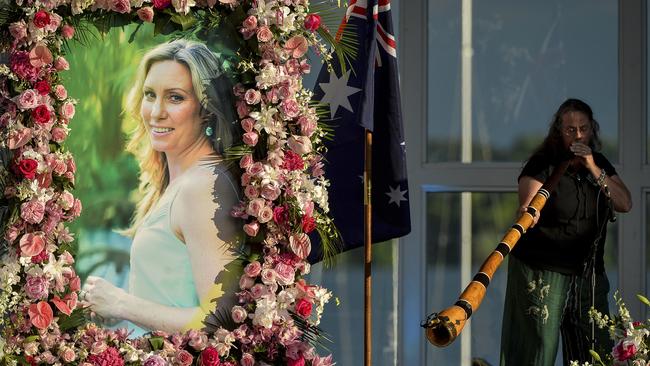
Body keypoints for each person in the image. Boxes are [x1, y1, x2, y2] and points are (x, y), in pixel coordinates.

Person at [82, 39, 243, 336]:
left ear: (205, 109)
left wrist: (121, 304)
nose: (156, 112)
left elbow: (219, 322)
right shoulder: (180, 182)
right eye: (149, 94)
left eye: (175, 98)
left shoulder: (201, 187)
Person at [500, 98, 632, 365]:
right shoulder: (543, 162)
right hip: (542, 271)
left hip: (588, 275)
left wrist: (594, 167)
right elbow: (527, 206)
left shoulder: (600, 164)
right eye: (571, 129)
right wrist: (529, 212)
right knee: (538, 351)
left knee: (595, 353)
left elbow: (625, 203)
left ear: (592, 129)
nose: (578, 135)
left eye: (583, 128)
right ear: (559, 130)